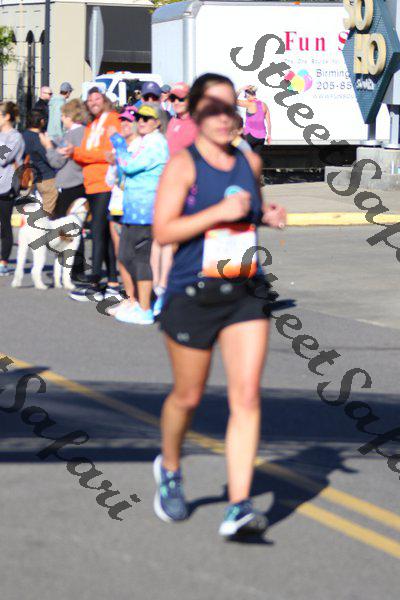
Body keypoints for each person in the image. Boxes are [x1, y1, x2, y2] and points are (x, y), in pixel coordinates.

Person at [152, 73, 286, 537]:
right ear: (194, 113)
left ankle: (239, 504)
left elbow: (249, 212)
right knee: (188, 397)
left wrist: (267, 215)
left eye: (230, 108)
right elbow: (164, 230)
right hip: (192, 293)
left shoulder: (249, 160)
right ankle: (170, 467)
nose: (224, 117)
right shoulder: (182, 166)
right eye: (213, 108)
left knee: (246, 397)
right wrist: (216, 214)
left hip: (244, 290)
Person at [110, 105, 169, 325]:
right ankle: (139, 302)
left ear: (158, 122)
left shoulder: (156, 143)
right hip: (133, 211)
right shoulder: (145, 141)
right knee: (126, 256)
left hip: (147, 212)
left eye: (146, 118)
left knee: (141, 259)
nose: (141, 121)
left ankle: (145, 308)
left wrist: (118, 143)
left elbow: (129, 165)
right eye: (139, 117)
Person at [61, 88, 121, 300]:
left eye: (97, 98)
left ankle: (95, 283)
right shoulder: (92, 125)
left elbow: (108, 154)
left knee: (97, 233)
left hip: (105, 184)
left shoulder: (112, 120)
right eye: (90, 100)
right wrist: (75, 153)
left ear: (105, 100)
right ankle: (112, 283)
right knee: (104, 234)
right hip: (91, 184)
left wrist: (79, 152)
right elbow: (90, 154)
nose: (93, 102)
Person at [39, 99, 88, 282]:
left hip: (69, 185)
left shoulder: (72, 135)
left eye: (63, 115)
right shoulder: (86, 133)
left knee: (66, 229)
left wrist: (48, 146)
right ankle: (75, 269)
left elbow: (56, 161)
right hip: (81, 183)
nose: (61, 119)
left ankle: (70, 269)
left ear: (70, 116)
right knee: (77, 229)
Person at [104, 107, 139, 317]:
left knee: (134, 255)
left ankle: (139, 299)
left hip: (133, 207)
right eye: (122, 120)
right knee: (121, 255)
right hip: (116, 204)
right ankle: (129, 298)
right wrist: (112, 165)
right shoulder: (119, 147)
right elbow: (110, 180)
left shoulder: (140, 147)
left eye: (129, 120)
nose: (125, 124)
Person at [0, 101, 25, 276]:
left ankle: (3, 262)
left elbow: (3, 157)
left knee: (5, 224)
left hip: (6, 186)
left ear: (7, 116)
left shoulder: (15, 137)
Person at [22, 110, 58, 216]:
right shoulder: (39, 138)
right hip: (47, 177)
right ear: (41, 121)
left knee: (37, 208)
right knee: (47, 212)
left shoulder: (23, 136)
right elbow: (49, 158)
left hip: (33, 177)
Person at [237, 85, 271, 156]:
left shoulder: (249, 104)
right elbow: (268, 122)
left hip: (250, 135)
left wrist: (240, 89)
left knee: (240, 153)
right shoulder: (264, 105)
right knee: (254, 158)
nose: (245, 98)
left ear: (247, 95)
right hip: (261, 137)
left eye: (245, 96)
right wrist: (269, 135)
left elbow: (233, 100)